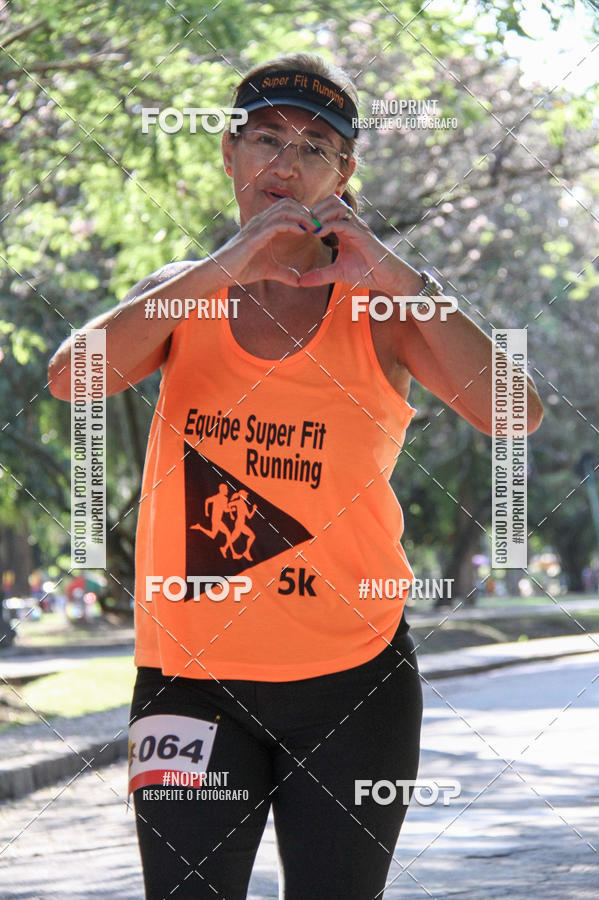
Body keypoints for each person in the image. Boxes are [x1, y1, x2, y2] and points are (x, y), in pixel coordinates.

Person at [48, 51, 544, 900]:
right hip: (187, 682)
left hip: (355, 685)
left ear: (344, 174)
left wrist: (394, 273)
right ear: (230, 156)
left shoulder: (386, 307)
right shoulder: (183, 296)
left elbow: (516, 410)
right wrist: (228, 265)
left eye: (315, 147)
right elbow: (71, 378)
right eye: (267, 138)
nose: (286, 162)